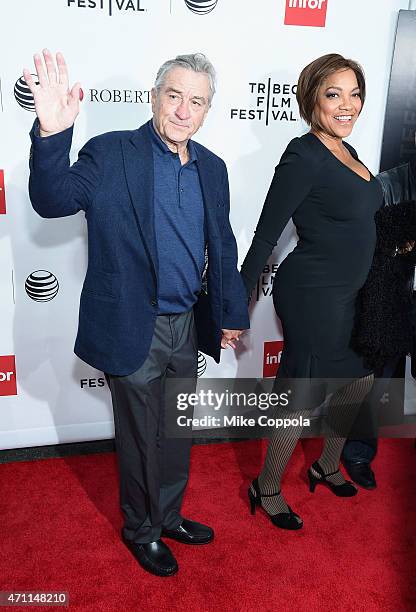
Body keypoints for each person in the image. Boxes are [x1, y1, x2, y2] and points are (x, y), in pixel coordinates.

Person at [26, 50, 249, 576]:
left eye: (197, 101)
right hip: (133, 324)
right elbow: (51, 199)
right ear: (154, 97)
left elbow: (223, 244)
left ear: (207, 110)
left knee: (175, 429)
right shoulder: (111, 154)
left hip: (189, 324)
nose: (183, 110)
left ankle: (168, 516)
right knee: (139, 435)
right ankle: (141, 529)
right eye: (174, 96)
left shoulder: (213, 168)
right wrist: (53, 135)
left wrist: (231, 310)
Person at [240, 53, 383, 530]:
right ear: (312, 99)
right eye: (334, 94)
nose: (348, 105)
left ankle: (325, 464)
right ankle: (267, 486)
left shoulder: (349, 151)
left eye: (355, 93)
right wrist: (237, 300)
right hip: (313, 293)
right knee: (302, 392)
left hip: (353, 293)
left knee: (360, 378)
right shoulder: (304, 154)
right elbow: (266, 234)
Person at [345, 144, 416, 485]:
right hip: (393, 298)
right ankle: (358, 452)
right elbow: (368, 244)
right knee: (375, 382)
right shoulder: (386, 185)